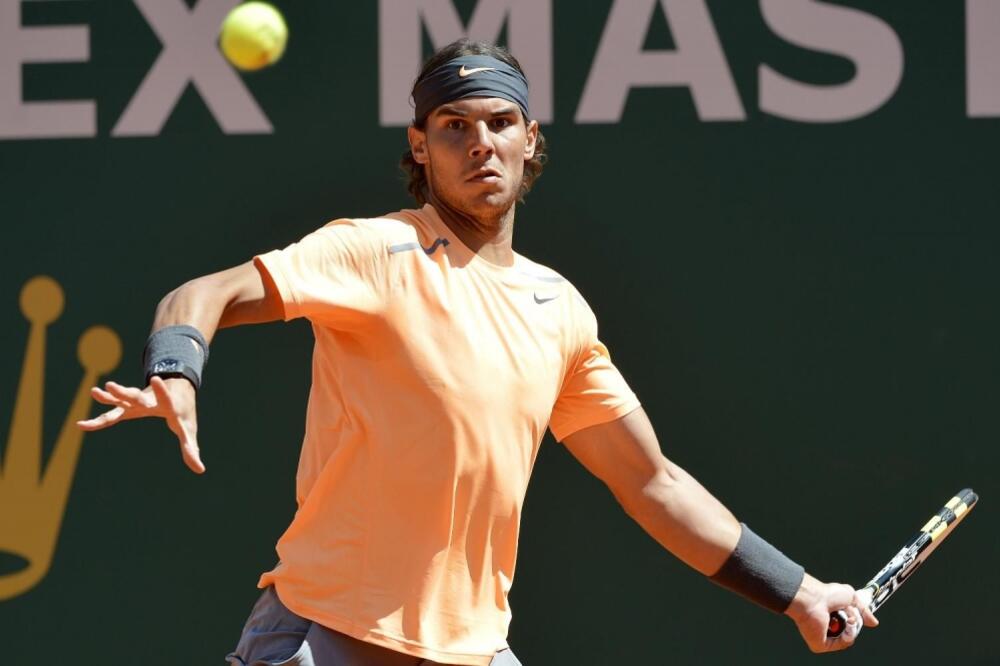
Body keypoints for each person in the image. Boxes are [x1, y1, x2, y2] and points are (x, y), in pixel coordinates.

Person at [77, 40, 876, 665]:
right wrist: (176, 369)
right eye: (454, 127)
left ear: (531, 141)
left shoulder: (558, 310)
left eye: (498, 123)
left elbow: (653, 483)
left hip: (473, 648)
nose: (479, 144)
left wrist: (799, 592)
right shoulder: (374, 251)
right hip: (328, 634)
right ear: (420, 147)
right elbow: (202, 293)